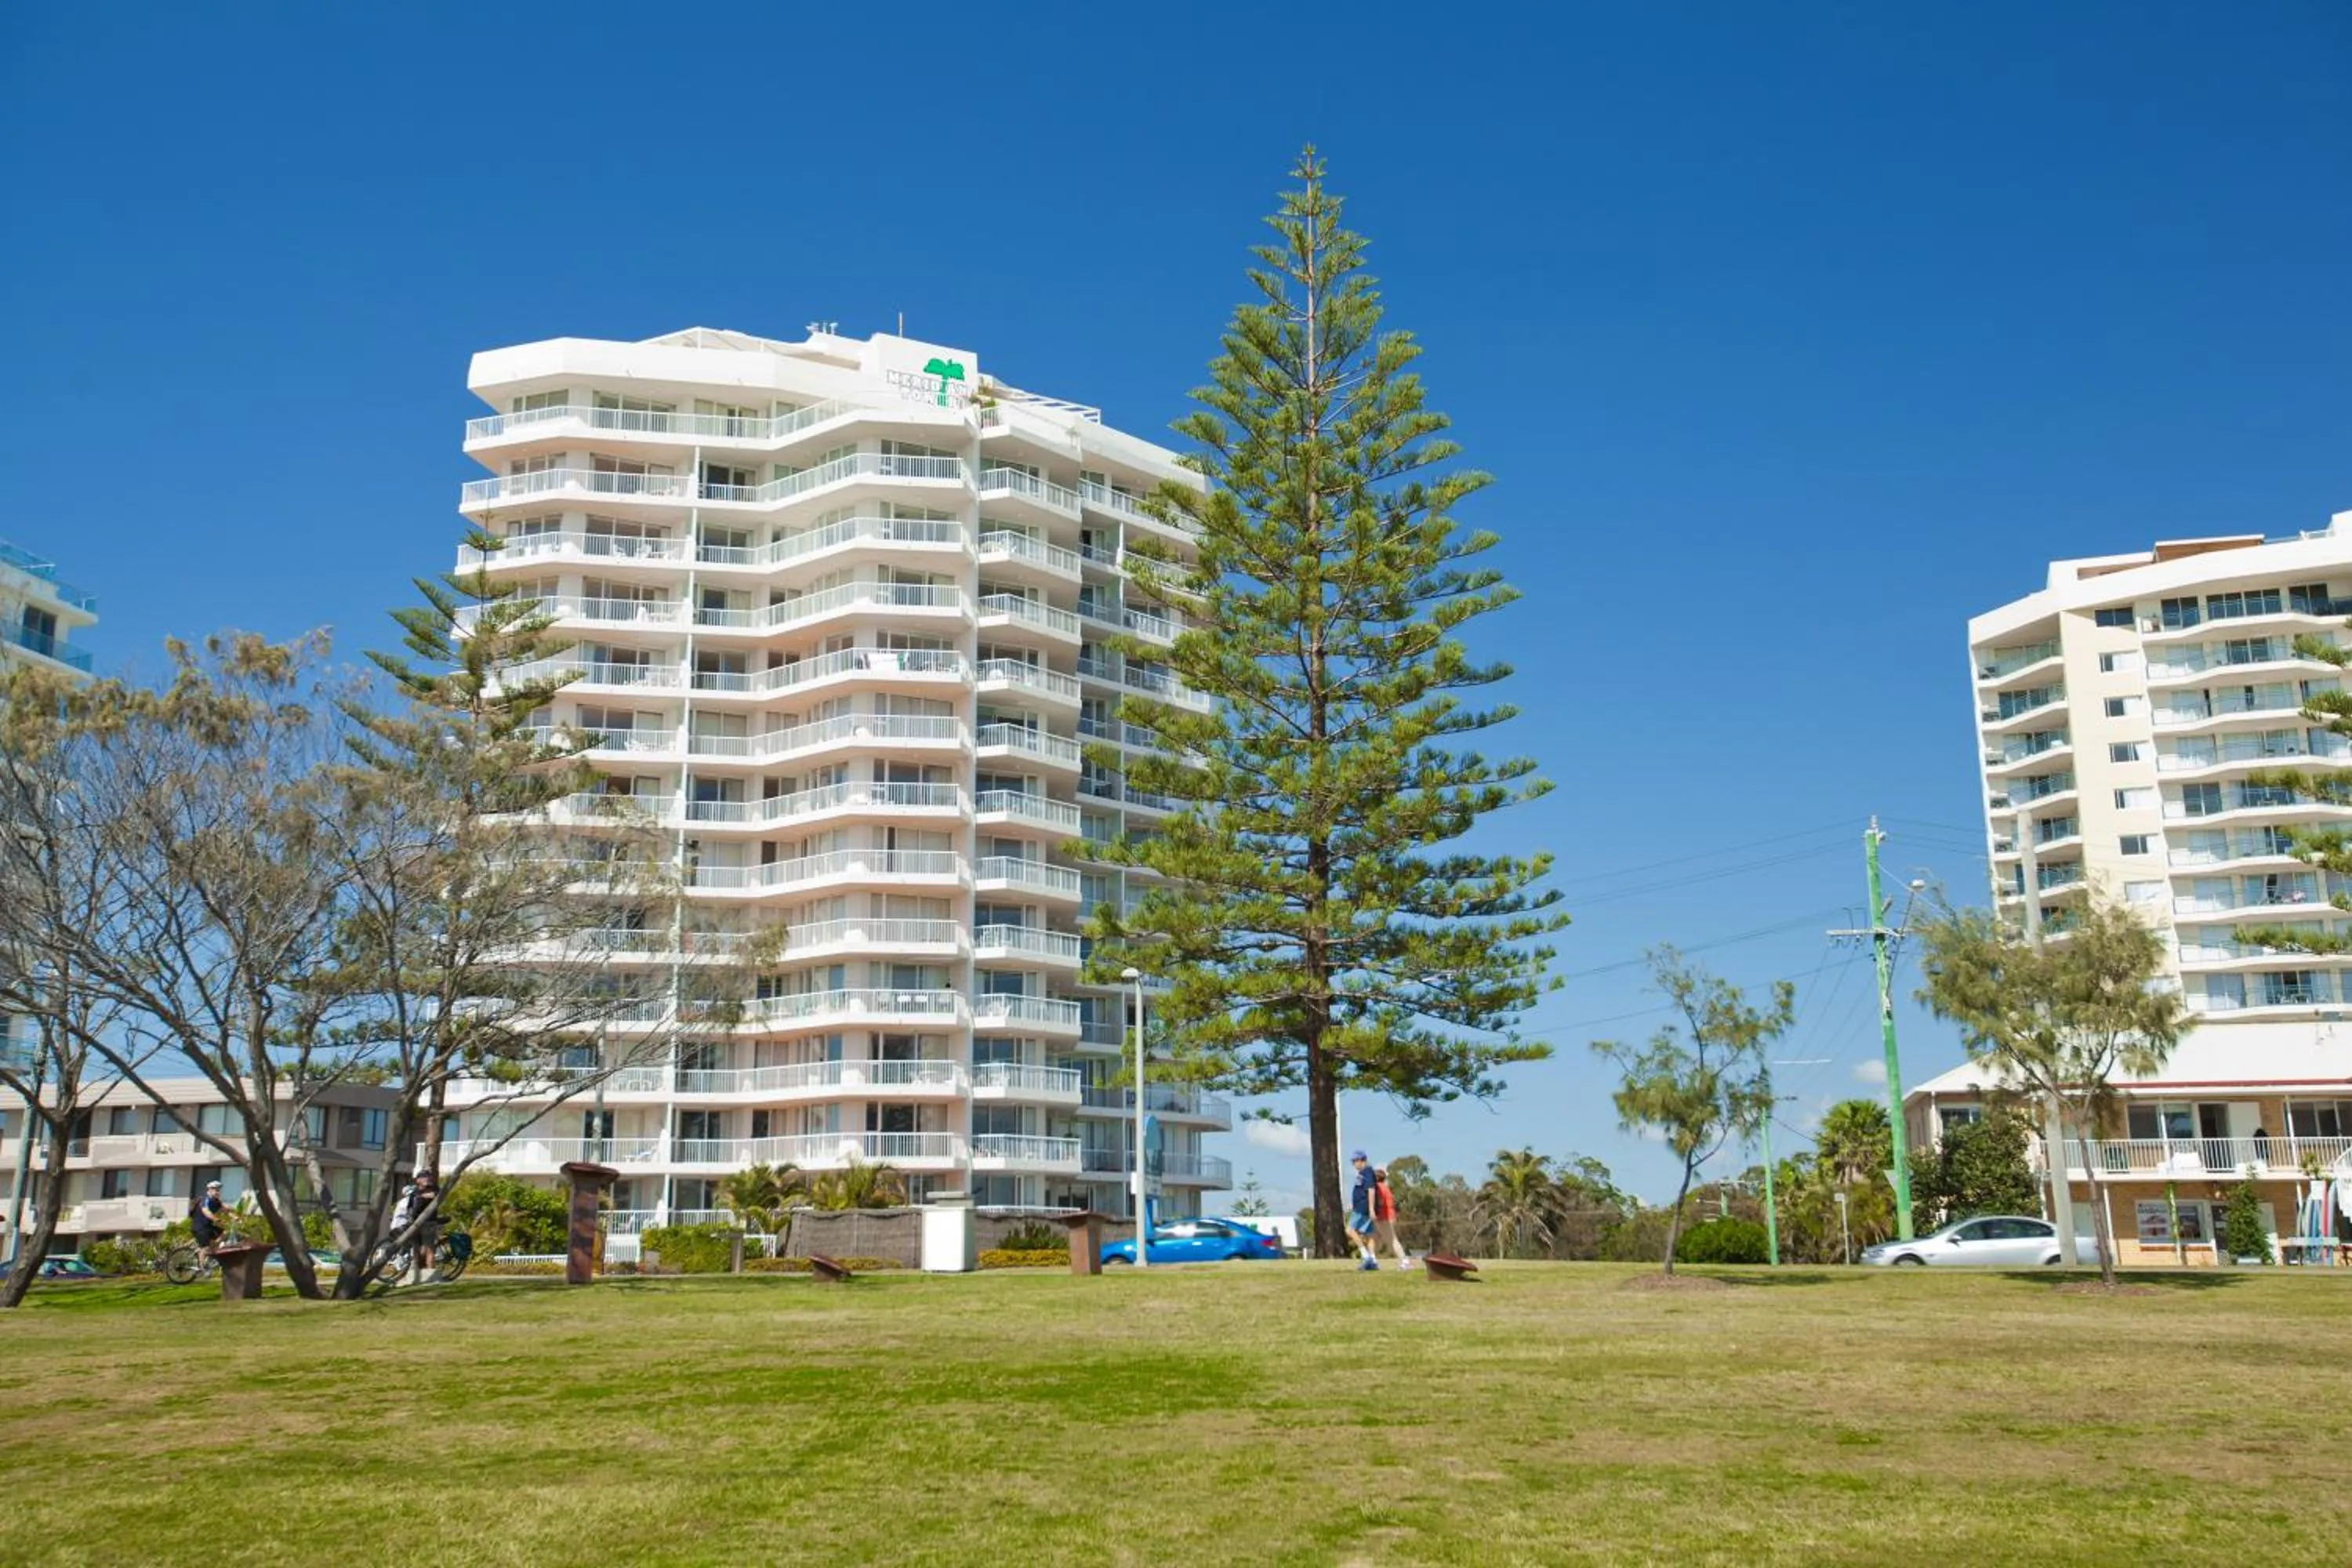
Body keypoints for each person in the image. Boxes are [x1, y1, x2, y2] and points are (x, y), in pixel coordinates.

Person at [391, 1171, 443, 1282]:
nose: (427, 1179)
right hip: (415, 1224)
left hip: (429, 1222)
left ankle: (431, 1273)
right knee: (417, 1248)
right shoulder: (415, 1191)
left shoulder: (433, 1189)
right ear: (418, 1180)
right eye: (424, 1177)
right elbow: (411, 1205)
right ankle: (417, 1272)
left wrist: (422, 1196)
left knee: (429, 1248)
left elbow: (433, 1196)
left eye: (428, 1177)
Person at [1372, 1167, 1412, 1270]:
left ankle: (1405, 1261)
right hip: (1388, 1217)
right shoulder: (1385, 1187)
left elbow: (1380, 1203)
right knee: (1375, 1239)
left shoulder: (1378, 1188)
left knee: (1392, 1240)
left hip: (1384, 1218)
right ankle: (1372, 1261)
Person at [1348, 1150, 1379, 1270]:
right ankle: (1373, 1261)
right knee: (1369, 1234)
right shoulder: (1362, 1173)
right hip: (1360, 1206)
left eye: (1356, 1161)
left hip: (1363, 1207)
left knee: (1350, 1230)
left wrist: (1371, 1209)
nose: (1355, 1164)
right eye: (1353, 1161)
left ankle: (1365, 1256)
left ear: (1363, 1160)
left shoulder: (1367, 1172)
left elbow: (1371, 1190)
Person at [188, 1180, 228, 1250]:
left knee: (226, 1232)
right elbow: (206, 1211)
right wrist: (215, 1219)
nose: (218, 1192)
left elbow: (225, 1210)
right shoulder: (205, 1199)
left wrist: (236, 1217)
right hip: (200, 1228)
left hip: (208, 1227)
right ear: (210, 1190)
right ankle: (202, 1259)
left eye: (219, 1190)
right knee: (205, 1248)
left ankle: (213, 1248)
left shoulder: (217, 1201)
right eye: (216, 1190)